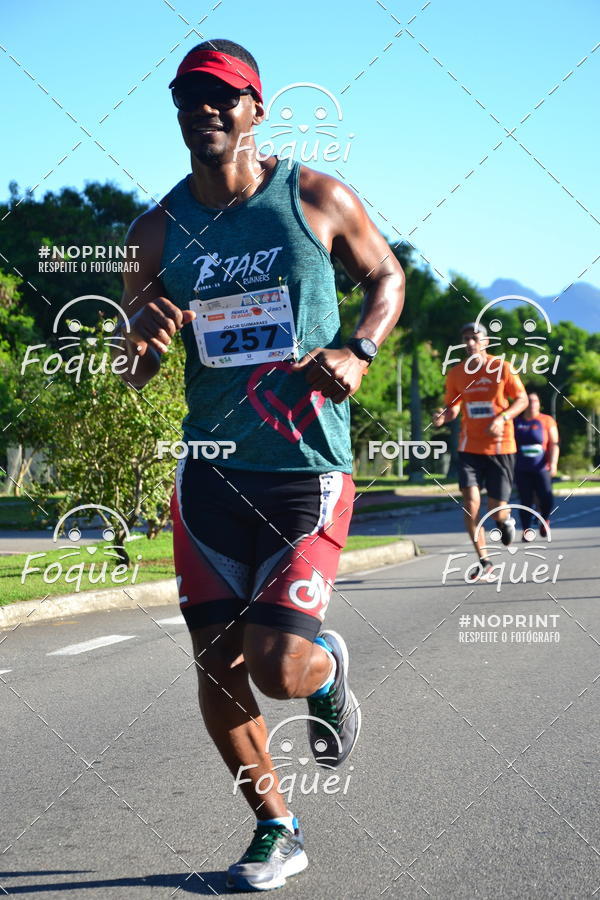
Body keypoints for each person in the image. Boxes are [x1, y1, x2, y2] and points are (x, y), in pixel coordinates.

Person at [116, 39, 404, 891]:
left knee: (279, 664)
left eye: (221, 97)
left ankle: (326, 672)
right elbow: (134, 364)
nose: (202, 110)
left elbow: (386, 275)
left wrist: (359, 347)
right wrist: (141, 342)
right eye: (187, 98)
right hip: (210, 471)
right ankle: (277, 828)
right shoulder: (155, 230)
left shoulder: (313, 196)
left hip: (305, 466)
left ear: (254, 107)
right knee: (216, 660)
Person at [433, 322, 528, 582]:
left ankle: (505, 521)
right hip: (469, 447)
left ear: (486, 342)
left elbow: (522, 399)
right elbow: (452, 407)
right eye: (466, 339)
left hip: (501, 446)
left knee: (497, 509)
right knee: (470, 505)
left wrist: (503, 417)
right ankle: (485, 562)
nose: (470, 343)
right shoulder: (456, 374)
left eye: (475, 338)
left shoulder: (501, 368)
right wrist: (443, 416)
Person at [514, 390, 559, 538]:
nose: (533, 404)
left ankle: (544, 519)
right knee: (525, 500)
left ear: (539, 404)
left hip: (542, 468)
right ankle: (526, 530)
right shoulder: (516, 422)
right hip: (522, 468)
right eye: (530, 401)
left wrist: (553, 464)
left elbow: (554, 444)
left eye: (535, 401)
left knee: (546, 498)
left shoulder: (547, 421)